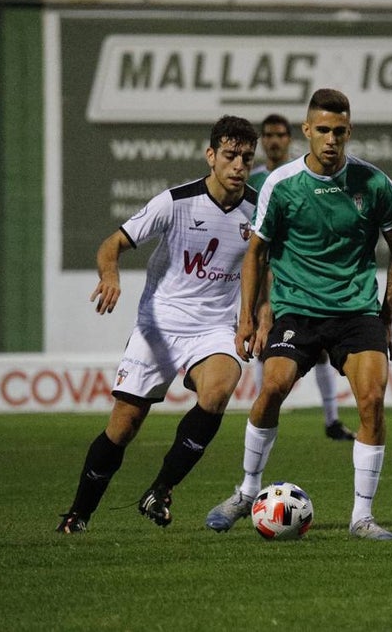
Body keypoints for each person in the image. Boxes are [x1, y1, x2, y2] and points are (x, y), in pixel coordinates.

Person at [204, 88, 392, 540]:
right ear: (307, 131)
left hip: (357, 311)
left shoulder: (374, 184)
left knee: (372, 400)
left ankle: (361, 518)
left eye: (339, 131)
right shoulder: (282, 185)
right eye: (322, 130)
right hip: (298, 309)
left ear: (349, 131)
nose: (331, 139)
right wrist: (248, 317)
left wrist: (386, 314)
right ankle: (246, 491)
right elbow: (255, 254)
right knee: (272, 387)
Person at [55, 116, 259, 533]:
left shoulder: (259, 208)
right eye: (230, 155)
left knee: (219, 389)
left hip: (215, 327)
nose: (238, 165)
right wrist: (110, 275)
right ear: (211, 155)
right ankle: (78, 515)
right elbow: (112, 244)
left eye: (246, 158)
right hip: (159, 325)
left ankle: (161, 489)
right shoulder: (175, 201)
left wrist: (256, 314)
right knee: (124, 426)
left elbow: (266, 263)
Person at [249, 113, 358, 442]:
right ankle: (264, 411)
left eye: (280, 134)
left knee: (321, 349)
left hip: (291, 273)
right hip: (259, 271)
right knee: (260, 341)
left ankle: (331, 420)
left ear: (290, 137)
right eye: (267, 134)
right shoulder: (252, 180)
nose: (273, 140)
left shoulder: (300, 176)